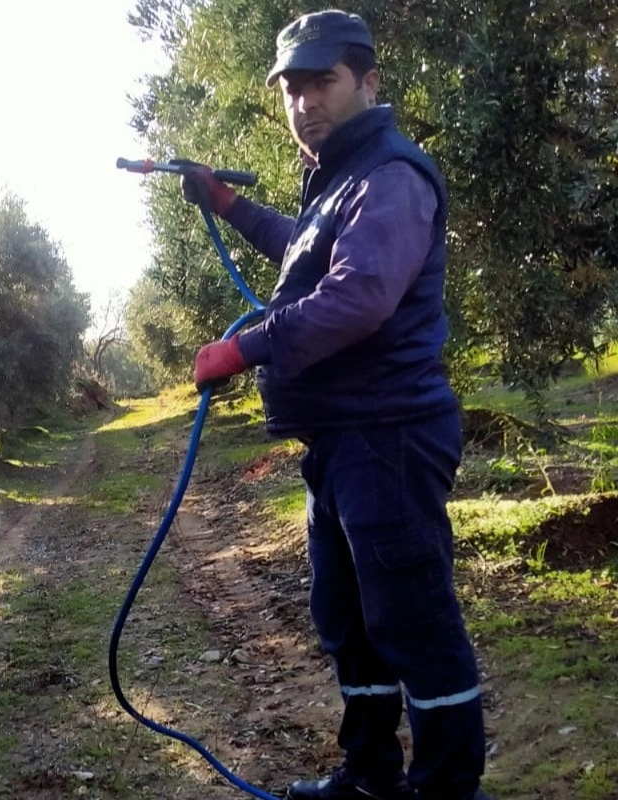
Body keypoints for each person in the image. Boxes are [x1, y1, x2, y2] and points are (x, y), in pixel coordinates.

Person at [177, 9, 493, 800]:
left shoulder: (391, 174)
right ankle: (371, 779)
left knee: (412, 622)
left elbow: (359, 296)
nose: (305, 102)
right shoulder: (341, 178)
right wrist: (230, 206)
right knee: (350, 619)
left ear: (368, 83)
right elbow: (309, 252)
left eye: (323, 82)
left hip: (389, 433)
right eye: (291, 87)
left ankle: (448, 789)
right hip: (344, 439)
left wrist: (243, 348)